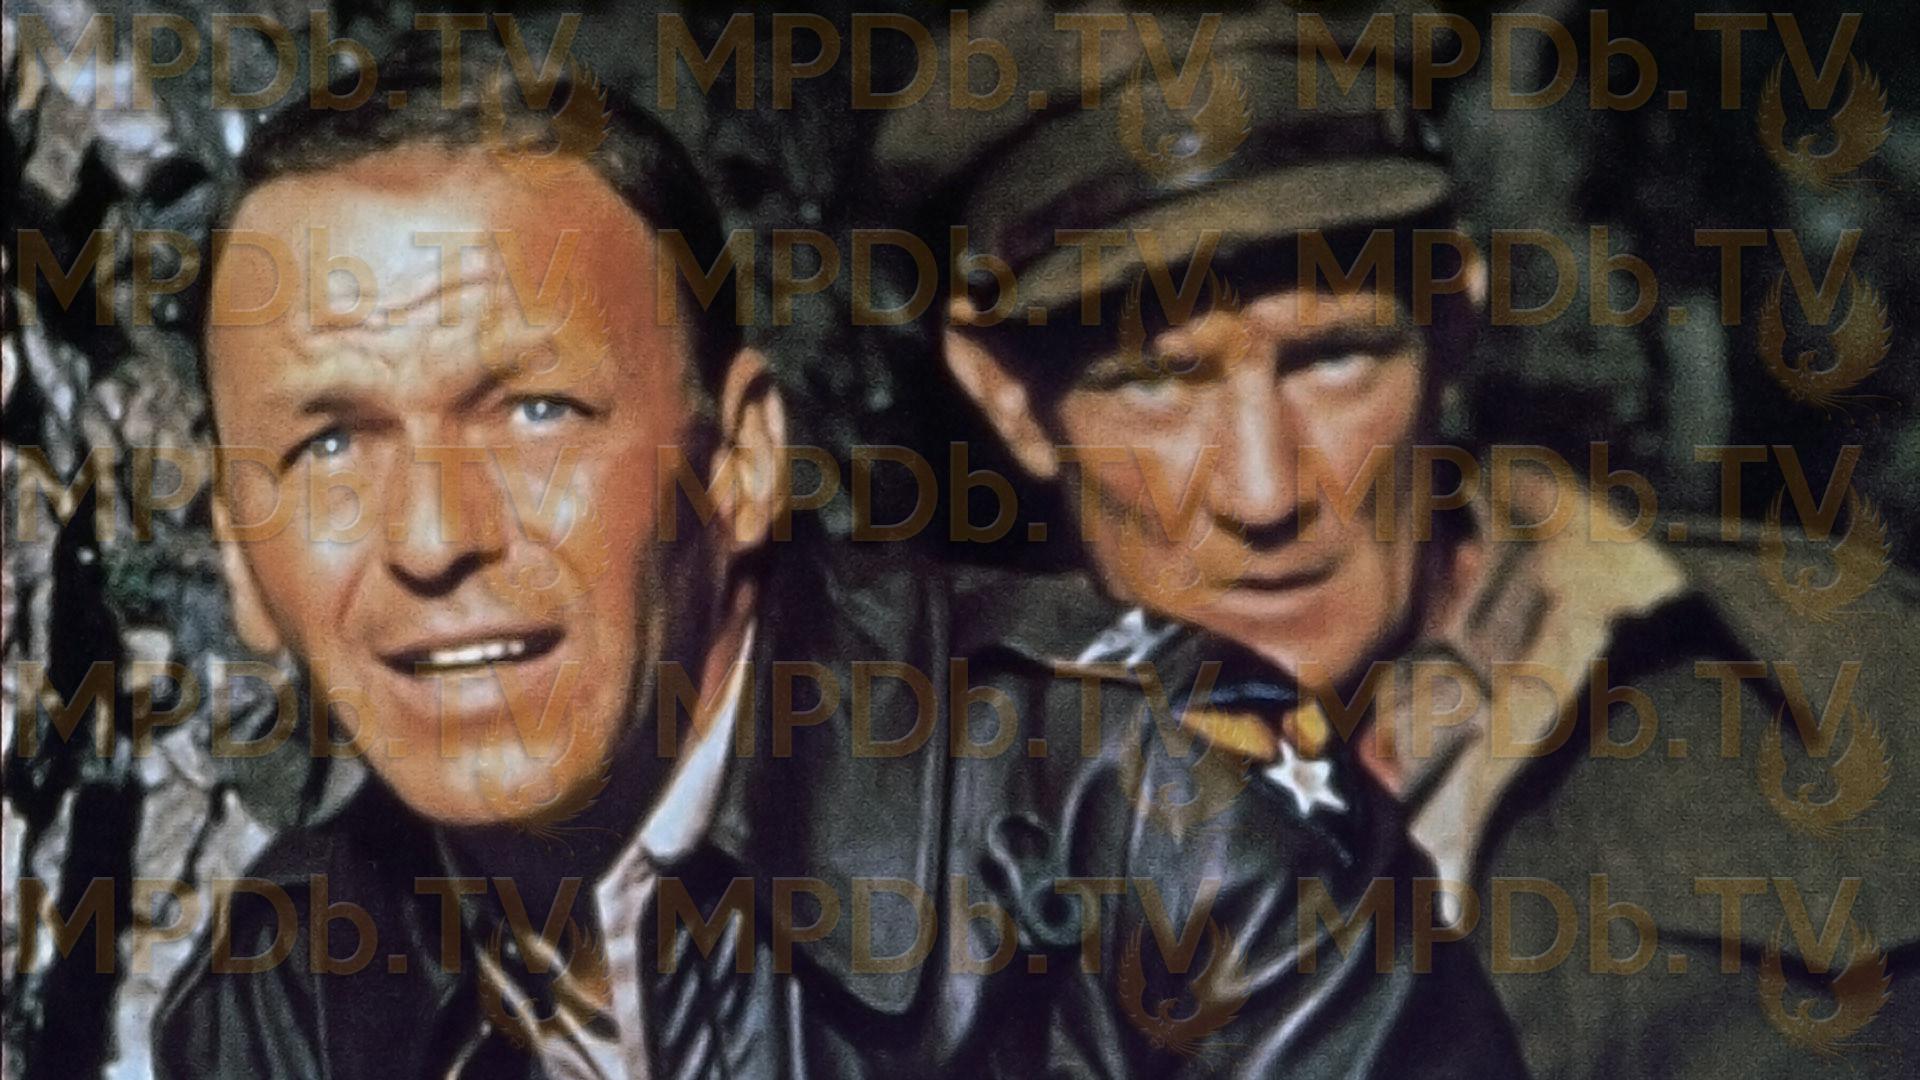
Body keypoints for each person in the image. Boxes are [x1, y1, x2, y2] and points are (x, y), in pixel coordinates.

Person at [155, 28, 1524, 1080]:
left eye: (537, 413)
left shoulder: (1155, 815)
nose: (435, 537)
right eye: (328, 447)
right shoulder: (285, 997)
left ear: (743, 461)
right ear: (237, 553)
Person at [880, 3, 1920, 1077]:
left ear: (1452, 320)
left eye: (1333, 359)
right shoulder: (904, 835)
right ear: (1006, 393)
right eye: (1157, 383)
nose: (1264, 492)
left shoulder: (1841, 680)